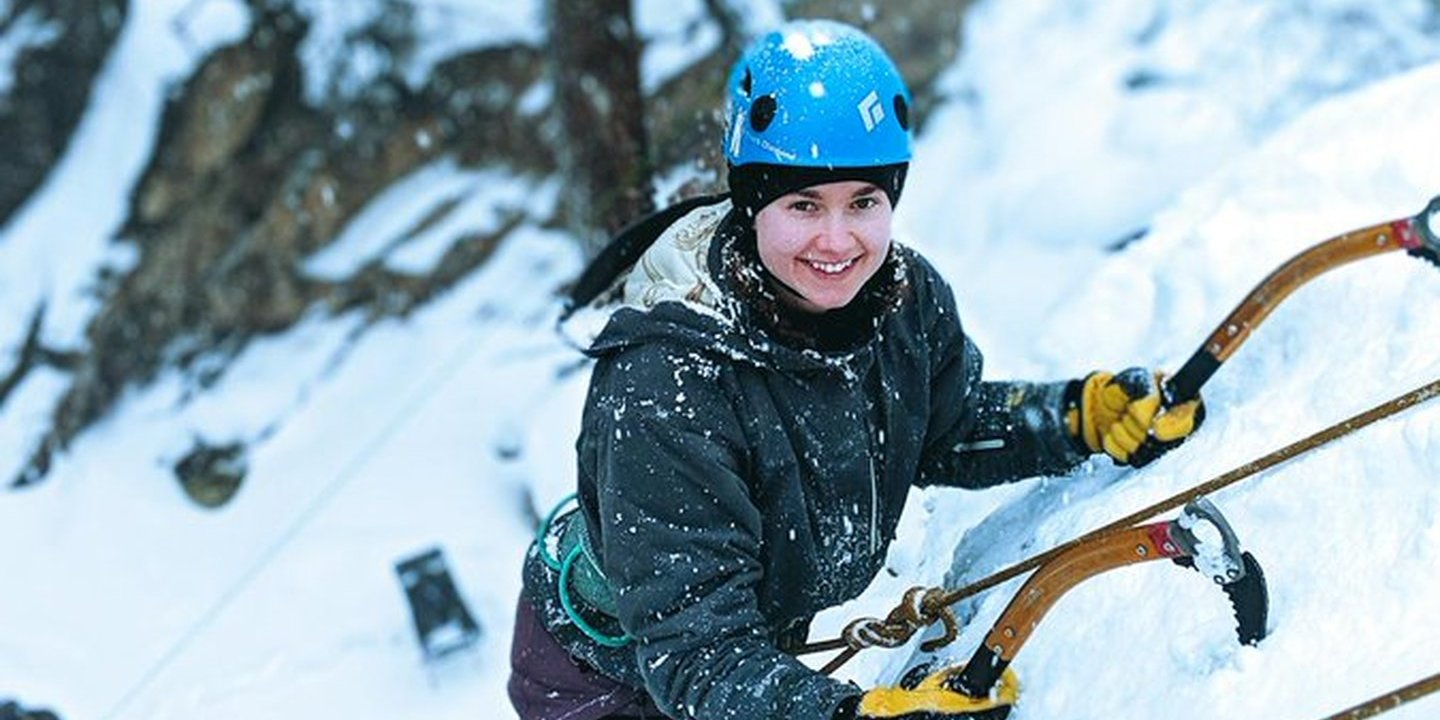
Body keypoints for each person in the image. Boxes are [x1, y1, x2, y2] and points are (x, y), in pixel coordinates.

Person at [508, 19, 1203, 720]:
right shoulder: (667, 387)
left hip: (740, 649)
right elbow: (699, 653)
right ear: (752, 206)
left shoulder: (903, 300)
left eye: (863, 202)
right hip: (607, 679)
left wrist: (1076, 417)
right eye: (803, 204)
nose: (837, 242)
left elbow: (945, 428)